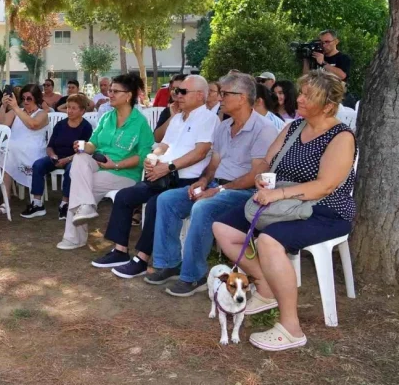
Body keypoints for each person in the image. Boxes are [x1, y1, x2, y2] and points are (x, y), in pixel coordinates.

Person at [213, 70, 355, 351]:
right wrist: (261, 177)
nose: (298, 99)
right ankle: (266, 288)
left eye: (307, 96)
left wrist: (277, 193)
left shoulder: (341, 137)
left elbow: (325, 186)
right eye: (301, 93)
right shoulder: (293, 128)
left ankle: (291, 328)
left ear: (327, 105)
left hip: (326, 210)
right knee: (223, 229)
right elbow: (267, 161)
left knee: (270, 240)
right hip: (283, 204)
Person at [144, 73, 278, 295]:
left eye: (225, 94)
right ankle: (169, 263)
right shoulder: (224, 127)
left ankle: (194, 276)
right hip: (218, 186)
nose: (219, 99)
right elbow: (213, 164)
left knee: (203, 207)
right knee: (167, 200)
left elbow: (256, 175)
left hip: (246, 193)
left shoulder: (263, 129)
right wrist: (203, 181)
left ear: (242, 98)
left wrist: (219, 189)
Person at [90, 75, 220, 277]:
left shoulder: (208, 119)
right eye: (177, 91)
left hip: (184, 179)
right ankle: (120, 251)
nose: (178, 95)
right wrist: (152, 157)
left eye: (183, 92)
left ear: (200, 96)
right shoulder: (177, 118)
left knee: (154, 204)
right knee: (125, 196)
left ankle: (141, 259)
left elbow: (200, 152)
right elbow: (163, 145)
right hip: (162, 175)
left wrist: (168, 166)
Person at [56, 73, 154, 250]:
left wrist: (115, 165)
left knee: (81, 184)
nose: (110, 94)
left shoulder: (140, 123)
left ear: (128, 95)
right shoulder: (106, 118)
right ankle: (85, 208)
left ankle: (74, 237)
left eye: (115, 91)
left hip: (124, 172)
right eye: (110, 90)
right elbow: (94, 144)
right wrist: (85, 146)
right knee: (79, 158)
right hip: (99, 164)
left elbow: (142, 157)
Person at [21, 95, 94, 220]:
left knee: (72, 169)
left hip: (75, 158)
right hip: (56, 157)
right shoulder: (60, 125)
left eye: (74, 108)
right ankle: (37, 203)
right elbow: (50, 146)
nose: (69, 111)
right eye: (68, 107)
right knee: (38, 165)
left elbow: (83, 150)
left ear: (82, 111)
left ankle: (65, 204)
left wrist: (67, 159)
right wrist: (53, 156)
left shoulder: (86, 127)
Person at [0, 84, 49, 214]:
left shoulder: (42, 114)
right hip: (14, 148)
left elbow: (32, 124)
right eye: (23, 98)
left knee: (7, 149)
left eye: (29, 99)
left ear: (36, 99)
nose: (25, 101)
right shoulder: (16, 111)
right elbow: (1, 124)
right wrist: (3, 106)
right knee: (5, 152)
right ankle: (6, 200)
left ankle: (35, 200)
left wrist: (15, 108)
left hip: (34, 149)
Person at [153, 74, 187, 142]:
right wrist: (172, 117)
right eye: (173, 89)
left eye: (182, 90)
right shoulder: (168, 111)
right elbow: (156, 138)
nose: (176, 93)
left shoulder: (199, 113)